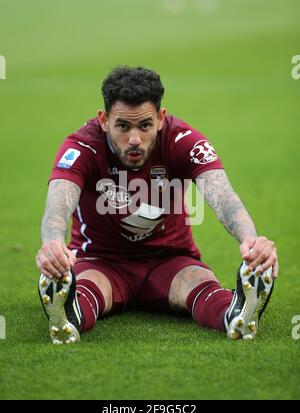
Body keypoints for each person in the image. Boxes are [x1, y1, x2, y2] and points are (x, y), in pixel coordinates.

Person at [36, 66, 278, 344]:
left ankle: (236, 315)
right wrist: (53, 244)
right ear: (104, 120)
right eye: (123, 126)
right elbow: (58, 204)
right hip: (102, 261)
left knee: (199, 282)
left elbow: (223, 197)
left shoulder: (183, 140)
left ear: (161, 118)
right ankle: (68, 313)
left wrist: (250, 241)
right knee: (90, 289)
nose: (135, 139)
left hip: (169, 260)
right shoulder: (82, 146)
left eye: (145, 125)